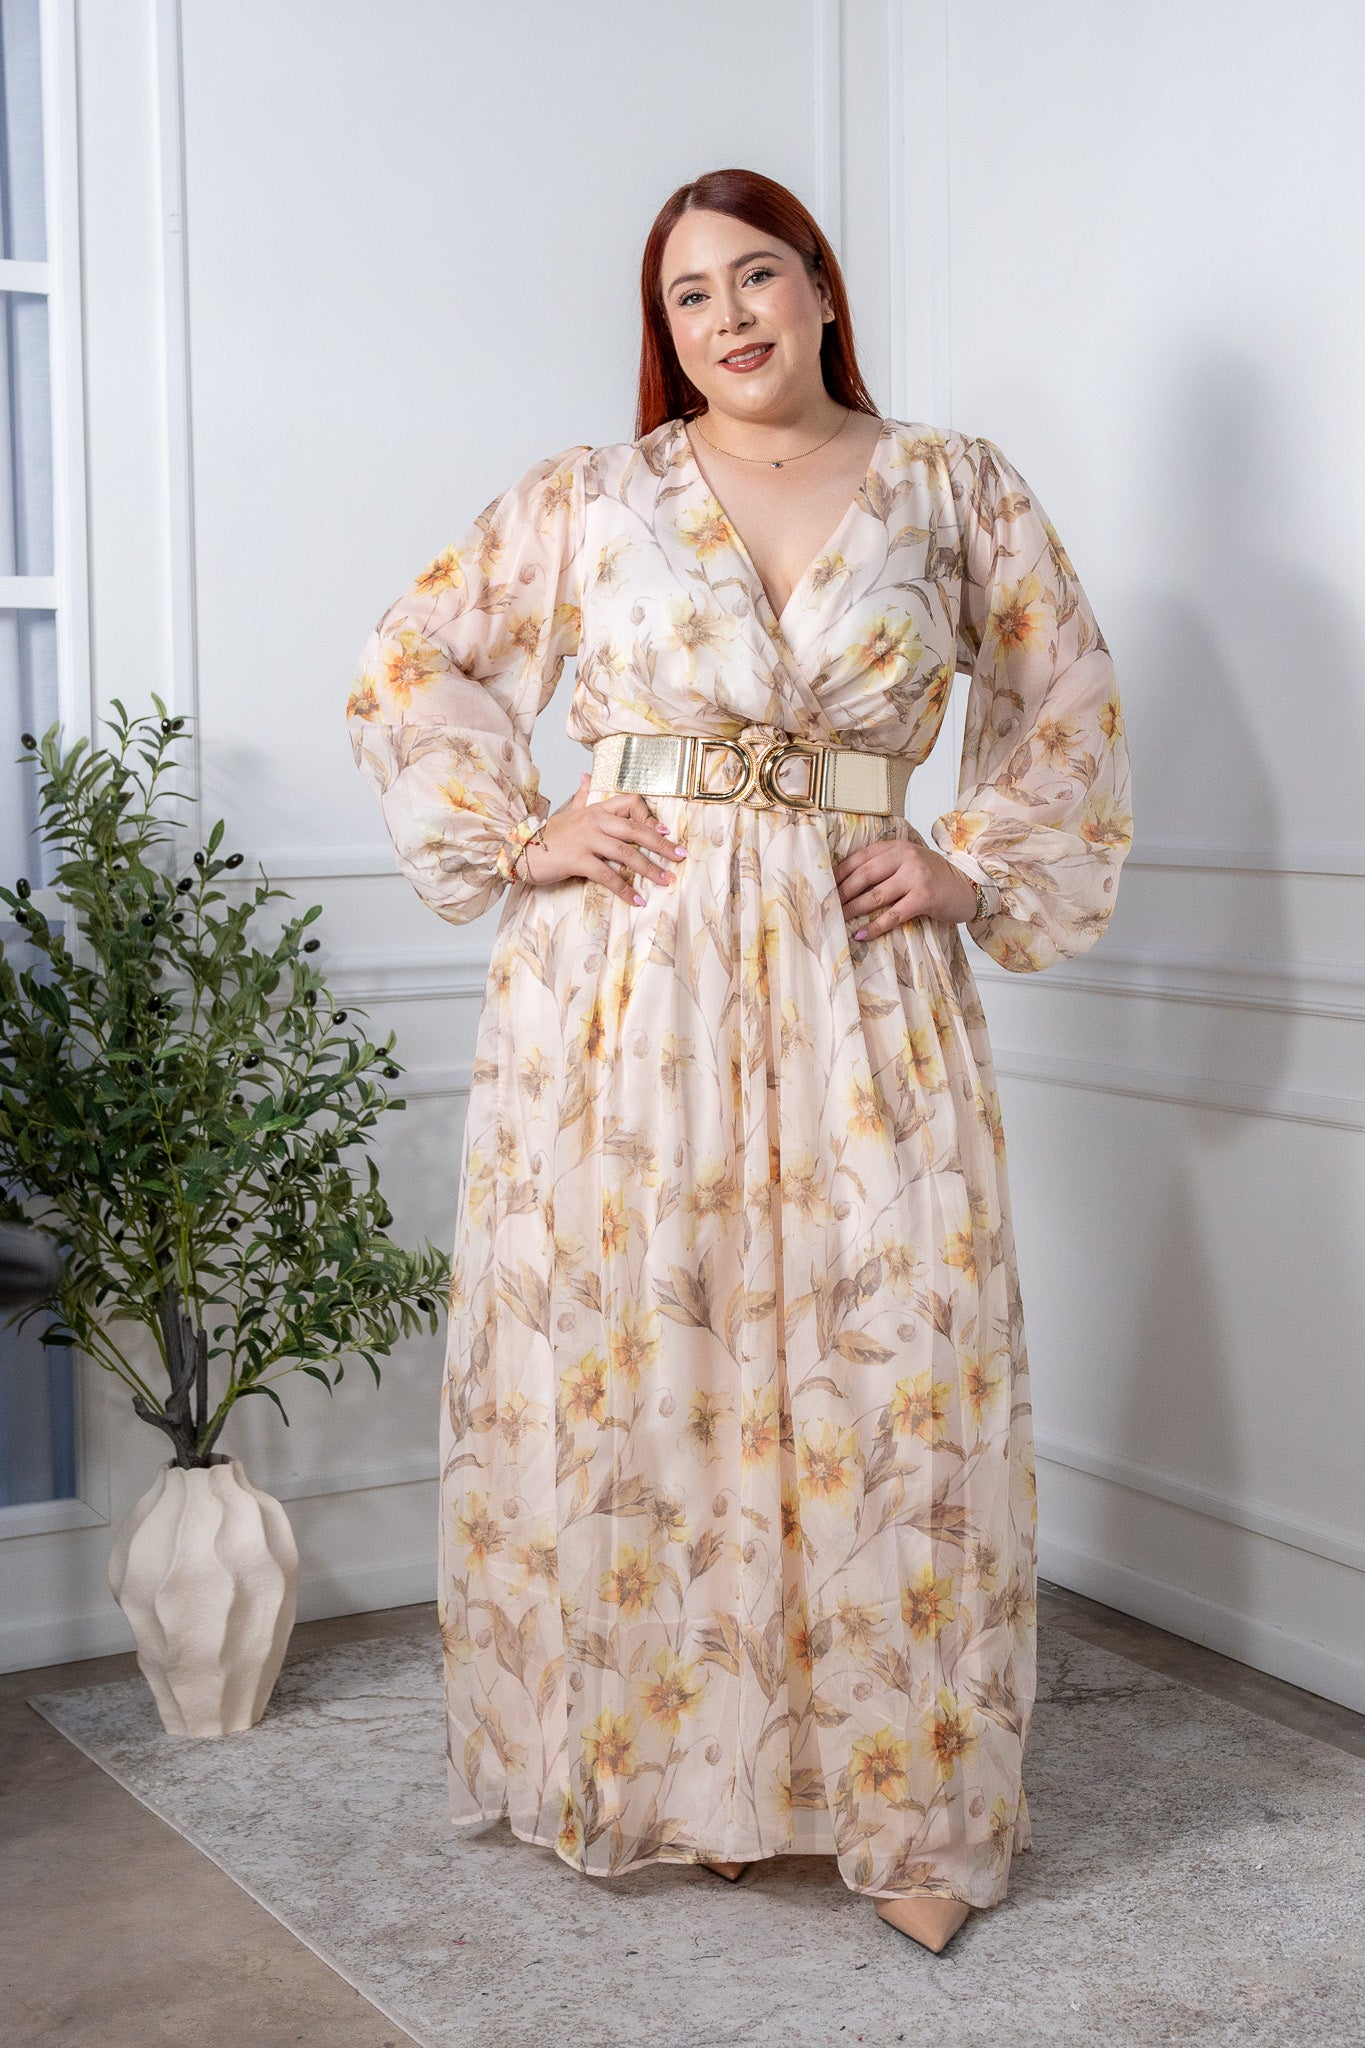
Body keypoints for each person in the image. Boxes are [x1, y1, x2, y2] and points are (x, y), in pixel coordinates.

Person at [346, 166, 1132, 1956]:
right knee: (663, 1352)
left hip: (863, 970)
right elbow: (409, 662)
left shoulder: (953, 485)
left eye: (754, 275)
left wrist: (971, 864)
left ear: (821, 287)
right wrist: (524, 832)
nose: (726, 318)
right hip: (629, 985)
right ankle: (707, 1773)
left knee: (894, 1357)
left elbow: (1067, 699)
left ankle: (910, 1813)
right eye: (687, 297)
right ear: (666, 329)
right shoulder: (593, 495)